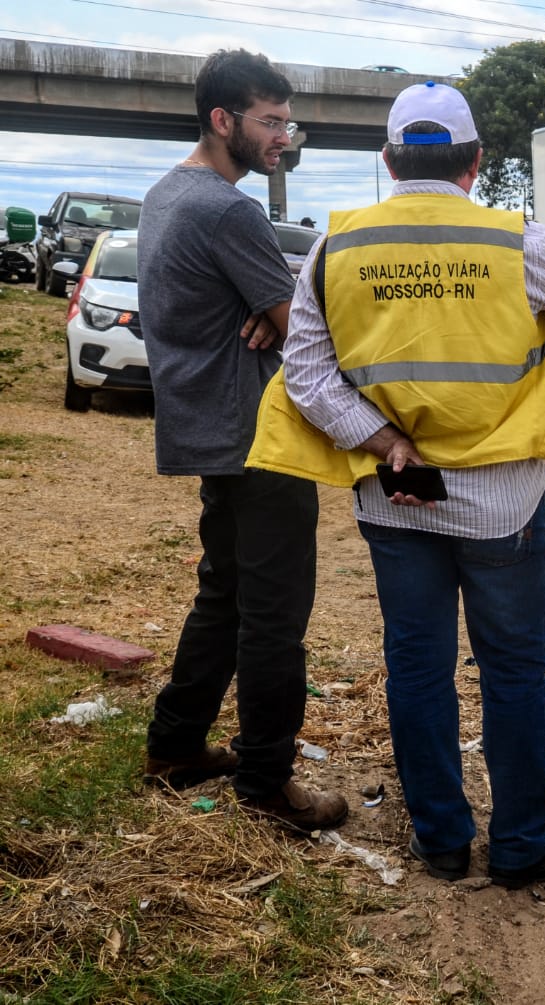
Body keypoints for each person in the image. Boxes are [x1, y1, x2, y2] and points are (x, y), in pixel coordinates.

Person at [246, 81, 545, 888]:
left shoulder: (336, 246)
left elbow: (307, 376)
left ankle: (441, 841)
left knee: (418, 670)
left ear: (387, 161)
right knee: (514, 675)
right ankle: (521, 847)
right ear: (476, 161)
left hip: (396, 497)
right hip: (504, 507)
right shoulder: (512, 239)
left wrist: (385, 440)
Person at [139, 48, 347, 834]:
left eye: (286, 122)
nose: (282, 137)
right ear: (222, 119)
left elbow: (278, 305)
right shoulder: (229, 210)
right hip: (258, 441)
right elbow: (307, 333)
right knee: (274, 616)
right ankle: (266, 784)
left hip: (205, 429)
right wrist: (284, 310)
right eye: (269, 121)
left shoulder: (168, 194)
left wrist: (276, 304)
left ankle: (176, 744)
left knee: (222, 595)